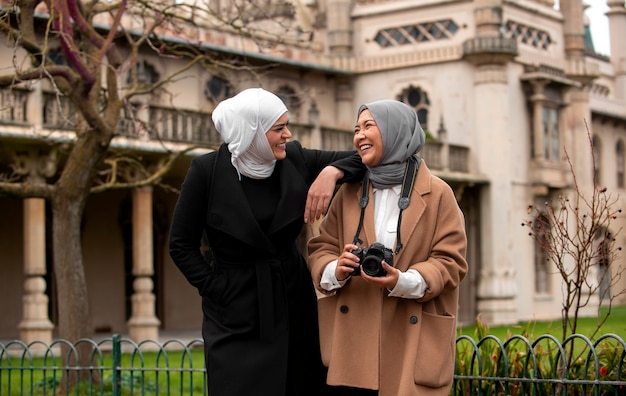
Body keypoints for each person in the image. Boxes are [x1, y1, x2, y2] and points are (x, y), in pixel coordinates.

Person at [168, 87, 365, 396]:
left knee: (299, 384)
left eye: (287, 125)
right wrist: (216, 288)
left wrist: (331, 171)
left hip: (292, 299)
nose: (287, 134)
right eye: (278, 128)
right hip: (234, 309)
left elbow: (367, 158)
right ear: (252, 131)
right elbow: (180, 244)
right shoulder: (206, 171)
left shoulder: (295, 159)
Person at [308, 99, 468, 396]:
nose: (359, 136)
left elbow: (450, 261)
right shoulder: (350, 191)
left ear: (396, 131)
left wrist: (402, 281)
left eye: (369, 126)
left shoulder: (438, 194)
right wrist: (335, 268)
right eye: (356, 129)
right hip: (353, 345)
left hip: (412, 338)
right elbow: (321, 247)